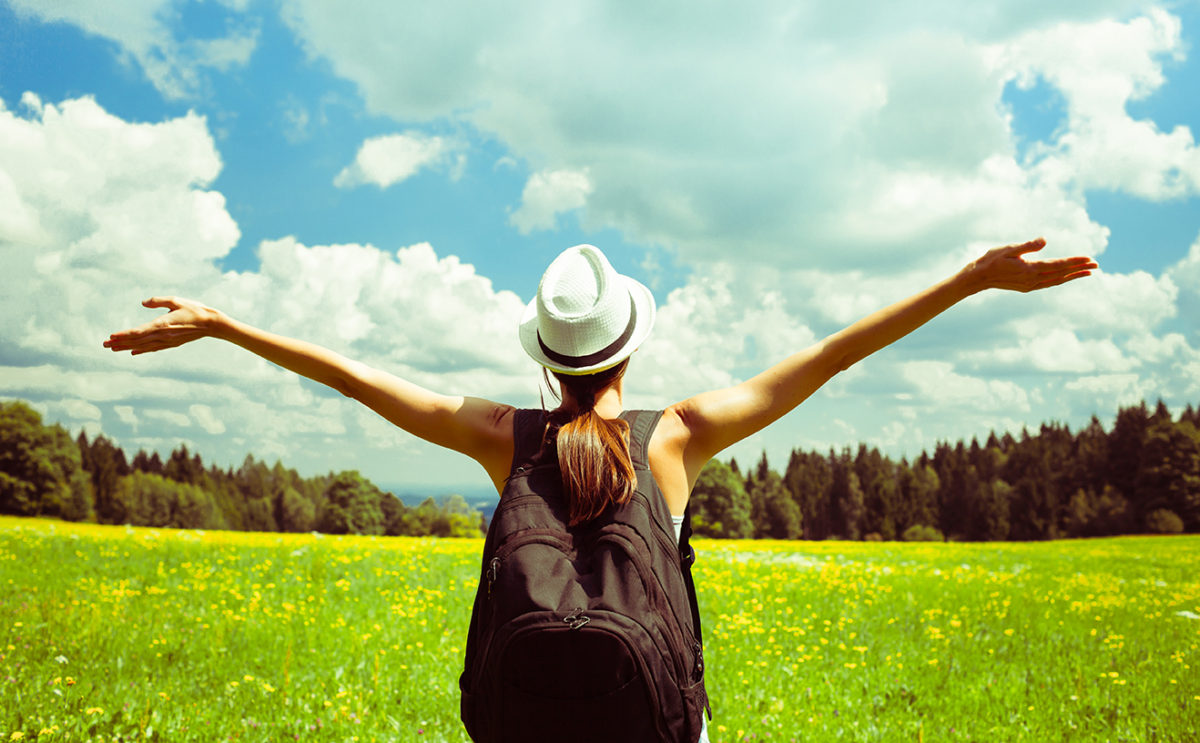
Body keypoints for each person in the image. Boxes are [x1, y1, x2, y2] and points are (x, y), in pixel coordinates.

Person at [103, 237, 1095, 741]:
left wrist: (227, 324)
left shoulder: (502, 436)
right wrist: (968, 280)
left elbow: (356, 379)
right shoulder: (681, 437)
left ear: (546, 356)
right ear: (633, 340)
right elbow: (832, 356)